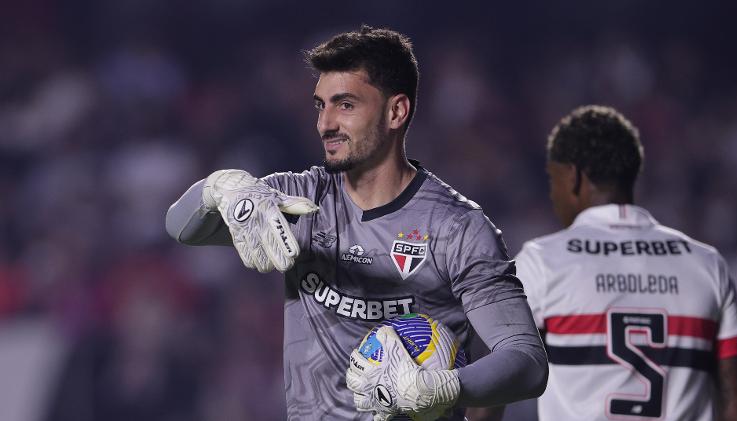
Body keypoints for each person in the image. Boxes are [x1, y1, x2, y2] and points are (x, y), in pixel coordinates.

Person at [165, 26, 548, 420]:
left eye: (345, 105)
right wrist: (219, 189)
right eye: (320, 105)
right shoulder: (296, 201)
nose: (325, 123)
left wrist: (447, 387)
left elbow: (527, 360)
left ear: (396, 111)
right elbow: (180, 227)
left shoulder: (457, 228)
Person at [513, 105, 737, 420]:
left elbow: (495, 382)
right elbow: (734, 397)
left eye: (552, 178)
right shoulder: (708, 265)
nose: (553, 193)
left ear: (573, 176)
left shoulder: (541, 263)